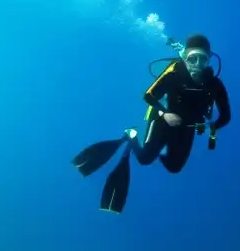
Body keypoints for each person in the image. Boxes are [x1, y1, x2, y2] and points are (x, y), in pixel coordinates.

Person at [72, 33, 231, 213]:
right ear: (185, 57)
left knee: (174, 168)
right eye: (191, 58)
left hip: (187, 128)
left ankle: (162, 150)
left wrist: (214, 126)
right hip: (163, 120)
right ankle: (131, 137)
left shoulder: (215, 85)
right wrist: (165, 113)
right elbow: (149, 96)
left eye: (202, 59)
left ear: (209, 60)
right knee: (145, 159)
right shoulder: (175, 74)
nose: (196, 64)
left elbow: (226, 115)